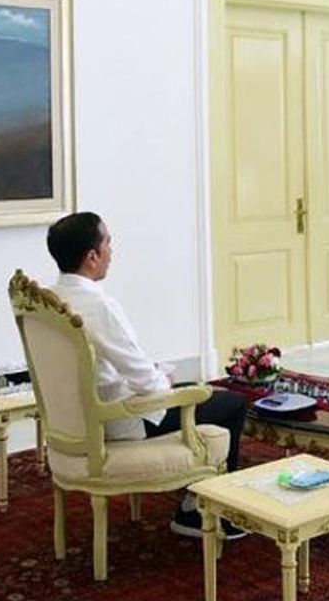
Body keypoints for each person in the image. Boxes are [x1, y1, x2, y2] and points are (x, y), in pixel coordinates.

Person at [46, 211, 248, 539]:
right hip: (119, 420)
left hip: (76, 420)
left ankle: (195, 497)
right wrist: (162, 382)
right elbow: (141, 377)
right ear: (92, 256)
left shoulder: (51, 300)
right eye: (108, 242)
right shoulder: (98, 306)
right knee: (232, 403)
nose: (113, 250)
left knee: (193, 389)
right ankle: (199, 512)